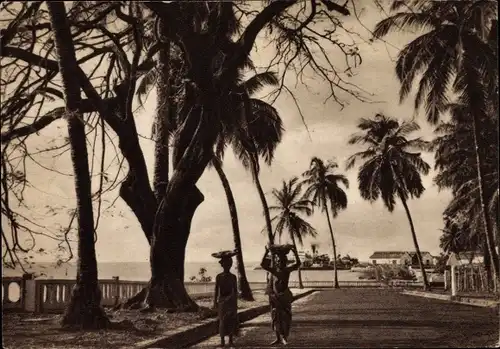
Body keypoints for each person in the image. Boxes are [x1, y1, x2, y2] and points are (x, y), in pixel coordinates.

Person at [260, 244, 301, 346]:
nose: (279, 262)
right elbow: (262, 264)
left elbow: (298, 263)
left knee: (285, 318)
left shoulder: (287, 270)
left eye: (281, 261)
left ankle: (284, 338)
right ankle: (278, 338)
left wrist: (295, 253)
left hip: (284, 296)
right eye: (278, 261)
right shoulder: (273, 270)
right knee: (275, 318)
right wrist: (266, 252)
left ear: (285, 261)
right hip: (274, 297)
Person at [213, 251, 238, 348]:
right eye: (225, 264)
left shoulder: (233, 277)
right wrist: (215, 302)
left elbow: (235, 290)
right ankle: (222, 340)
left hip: (231, 300)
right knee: (222, 321)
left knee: (231, 320)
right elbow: (216, 289)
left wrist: (234, 302)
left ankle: (231, 340)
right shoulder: (219, 276)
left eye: (229, 264)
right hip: (222, 301)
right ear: (222, 265)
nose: (227, 266)